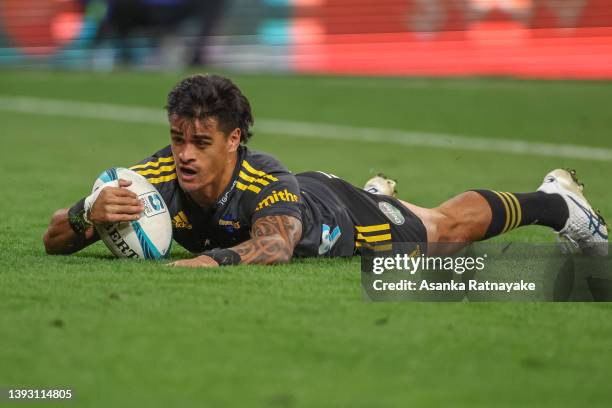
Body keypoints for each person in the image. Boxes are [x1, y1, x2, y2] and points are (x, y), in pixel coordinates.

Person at [42, 74, 608, 267]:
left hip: (334, 216)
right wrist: (86, 214)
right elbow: (53, 239)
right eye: (176, 139)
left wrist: (195, 266)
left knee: (442, 231)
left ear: (234, 140)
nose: (184, 154)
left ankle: (558, 203)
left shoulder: (265, 179)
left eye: (200, 142)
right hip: (314, 198)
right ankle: (378, 193)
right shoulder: (157, 173)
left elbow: (276, 248)